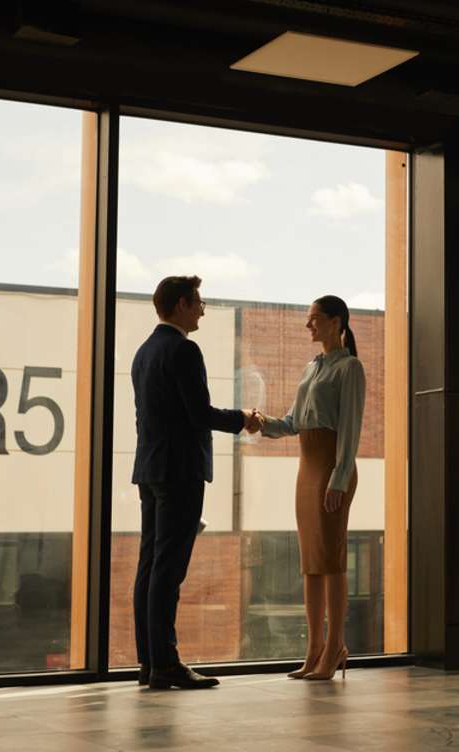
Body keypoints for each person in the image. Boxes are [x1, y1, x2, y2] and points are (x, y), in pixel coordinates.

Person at [131, 275, 262, 690]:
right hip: (180, 471)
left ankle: (150, 662)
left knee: (150, 566)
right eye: (199, 303)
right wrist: (243, 419)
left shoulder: (144, 351)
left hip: (150, 469)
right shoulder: (184, 349)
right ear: (182, 305)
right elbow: (199, 414)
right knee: (168, 570)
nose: (202, 311)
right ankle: (166, 665)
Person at [255, 295, 365, 681]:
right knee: (312, 564)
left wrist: (339, 478)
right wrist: (261, 422)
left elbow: (350, 429)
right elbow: (293, 422)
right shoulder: (310, 368)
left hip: (332, 469)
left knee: (331, 560)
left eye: (315, 318)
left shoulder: (350, 368)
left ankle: (335, 647)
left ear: (336, 322)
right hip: (307, 470)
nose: (309, 324)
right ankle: (314, 649)